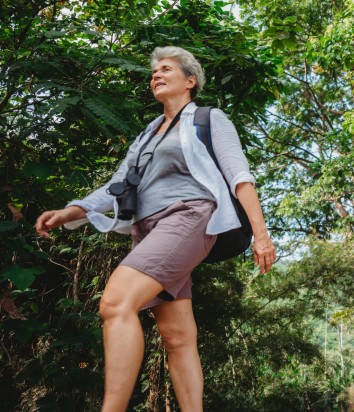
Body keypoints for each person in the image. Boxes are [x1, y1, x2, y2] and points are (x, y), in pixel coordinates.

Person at [35, 46, 275, 411]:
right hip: (148, 229)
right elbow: (117, 184)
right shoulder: (148, 133)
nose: (156, 76)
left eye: (166, 69)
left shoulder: (208, 119)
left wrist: (261, 235)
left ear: (190, 80)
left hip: (190, 218)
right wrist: (70, 212)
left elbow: (239, 176)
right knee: (177, 337)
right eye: (153, 73)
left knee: (115, 303)